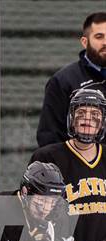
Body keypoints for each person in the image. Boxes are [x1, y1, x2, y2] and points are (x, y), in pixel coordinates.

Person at [31, 88, 106, 241]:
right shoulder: (46, 157)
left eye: (95, 114)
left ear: (103, 121)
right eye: (81, 112)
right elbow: (31, 213)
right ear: (71, 117)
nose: (87, 119)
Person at [37, 12, 106, 147]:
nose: (105, 42)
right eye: (99, 37)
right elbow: (49, 139)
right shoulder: (63, 81)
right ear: (85, 42)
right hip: (82, 167)